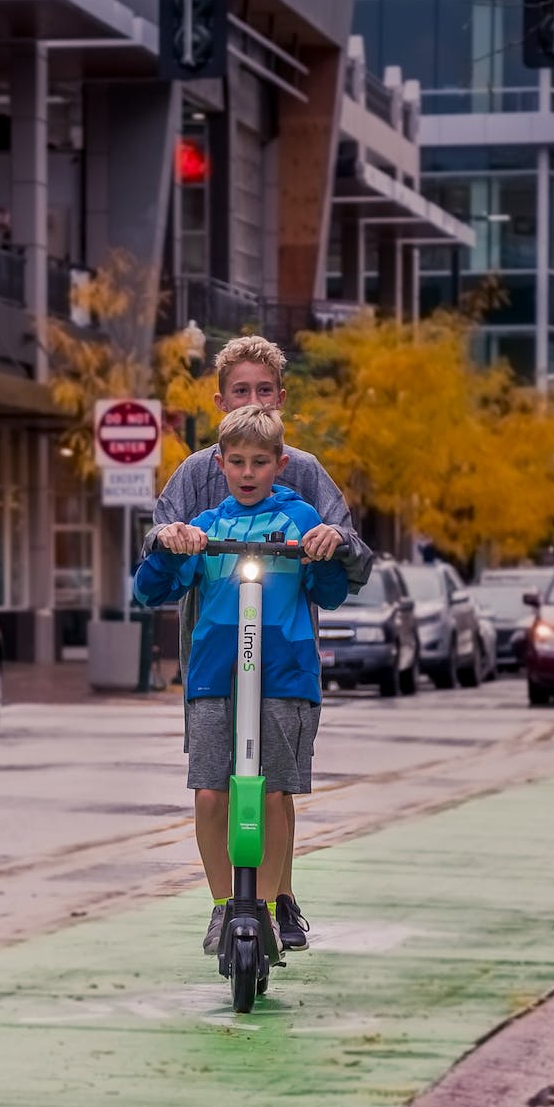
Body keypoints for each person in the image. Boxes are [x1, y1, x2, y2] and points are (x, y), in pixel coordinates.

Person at [147, 334, 372, 947]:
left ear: (281, 397)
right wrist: (169, 539)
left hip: (284, 648)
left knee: (276, 779)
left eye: (264, 390)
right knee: (216, 778)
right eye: (241, 391)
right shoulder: (198, 471)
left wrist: (333, 543)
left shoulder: (303, 473)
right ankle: (226, 903)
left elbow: (348, 553)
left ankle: (279, 896)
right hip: (216, 650)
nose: (254, 400)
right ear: (220, 400)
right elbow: (156, 546)